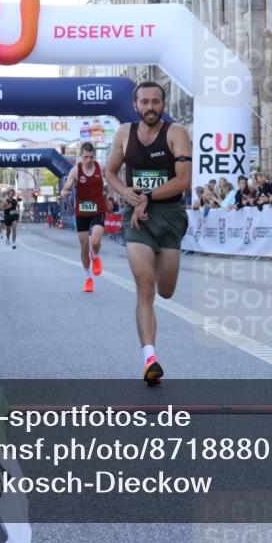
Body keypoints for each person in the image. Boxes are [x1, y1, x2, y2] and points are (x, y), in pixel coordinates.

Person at [106, 81, 192, 386]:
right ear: (135, 105)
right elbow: (111, 173)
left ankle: (159, 260)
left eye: (156, 102)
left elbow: (183, 181)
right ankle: (150, 358)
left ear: (163, 105)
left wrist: (148, 197)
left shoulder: (176, 133)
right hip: (136, 218)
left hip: (168, 215)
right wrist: (126, 192)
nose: (150, 107)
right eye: (144, 102)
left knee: (165, 290)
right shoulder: (123, 133)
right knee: (145, 287)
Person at [60, 142, 107, 292]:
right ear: (81, 156)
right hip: (81, 210)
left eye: (91, 157)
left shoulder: (101, 168)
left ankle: (96, 255)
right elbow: (66, 186)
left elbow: (112, 178)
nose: (88, 160)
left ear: (94, 156)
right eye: (85, 157)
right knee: (84, 246)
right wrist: (64, 192)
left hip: (98, 208)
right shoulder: (75, 171)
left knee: (95, 240)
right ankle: (88, 278)